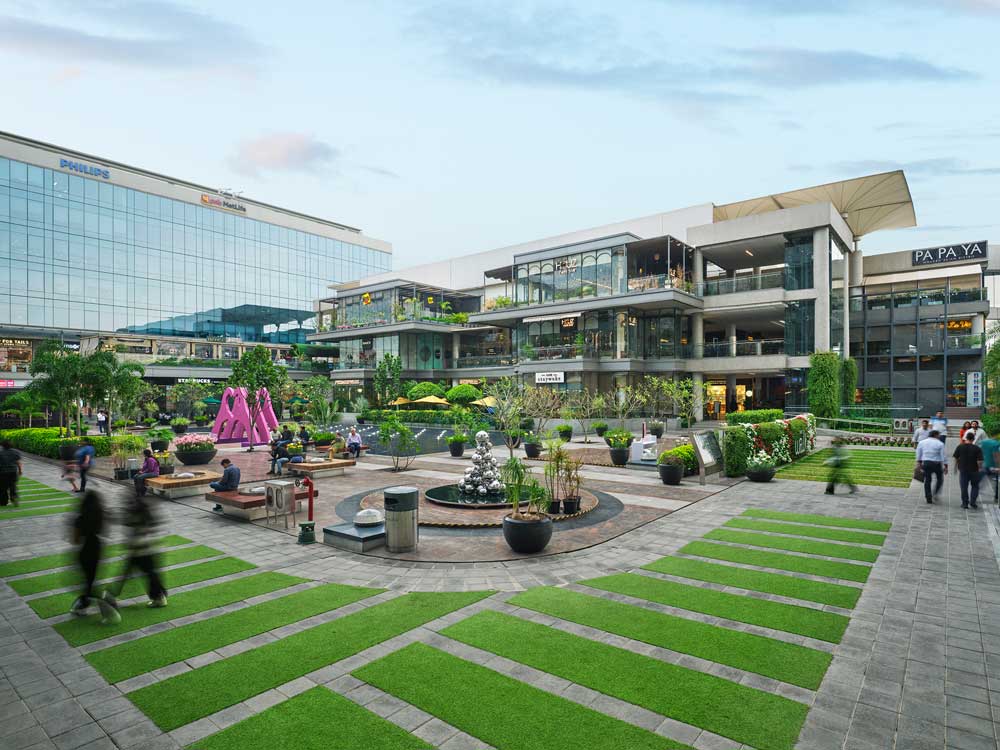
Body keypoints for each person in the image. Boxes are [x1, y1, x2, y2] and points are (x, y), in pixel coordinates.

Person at [103, 493, 167, 609]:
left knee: (132, 573)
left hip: (139, 551)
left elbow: (123, 520)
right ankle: (159, 596)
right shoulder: (144, 512)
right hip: (147, 549)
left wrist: (109, 515)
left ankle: (111, 595)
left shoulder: (133, 514)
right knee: (149, 573)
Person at [69, 491, 121, 624]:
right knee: (90, 581)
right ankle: (84, 604)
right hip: (97, 547)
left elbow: (75, 540)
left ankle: (107, 606)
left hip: (85, 549)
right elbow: (105, 532)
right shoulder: (101, 515)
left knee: (88, 582)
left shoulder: (80, 518)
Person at [953, 432, 984, 510]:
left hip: (963, 470)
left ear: (966, 438)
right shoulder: (977, 448)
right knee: (975, 486)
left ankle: (965, 503)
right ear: (973, 439)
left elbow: (956, 458)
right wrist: (980, 469)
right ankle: (973, 502)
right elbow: (979, 461)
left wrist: (955, 468)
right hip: (974, 470)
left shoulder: (960, 447)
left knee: (964, 487)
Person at [916, 429, 946, 503]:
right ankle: (935, 493)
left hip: (926, 463)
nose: (939, 436)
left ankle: (928, 497)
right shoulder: (940, 443)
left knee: (928, 480)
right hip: (936, 463)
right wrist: (945, 465)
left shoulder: (922, 442)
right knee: (940, 479)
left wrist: (919, 463)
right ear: (935, 435)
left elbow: (918, 453)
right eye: (938, 435)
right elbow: (943, 455)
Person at [0, 439, 22, 507]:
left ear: (2, 446)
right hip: (13, 472)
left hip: (3, 473)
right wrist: (20, 470)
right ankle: (14, 497)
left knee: (3, 488)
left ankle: (3, 501)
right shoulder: (16, 452)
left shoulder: (1, 453)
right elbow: (18, 463)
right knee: (13, 485)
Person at [981, 430, 1000, 504]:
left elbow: (980, 452)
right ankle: (996, 496)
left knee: (981, 479)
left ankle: (976, 491)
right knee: (995, 483)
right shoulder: (996, 443)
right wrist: (998, 465)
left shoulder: (983, 442)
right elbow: (996, 456)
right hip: (993, 465)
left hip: (984, 464)